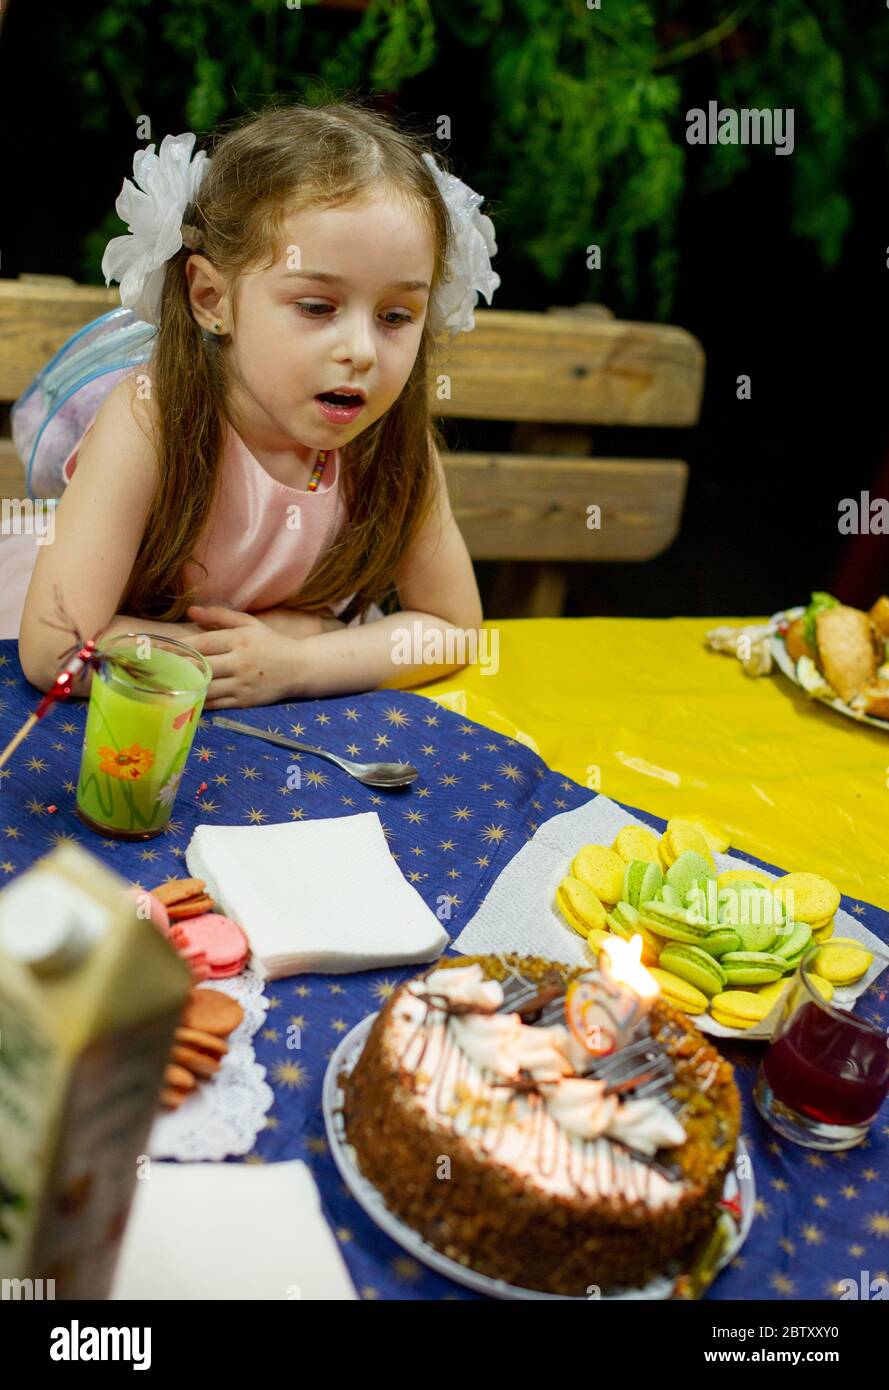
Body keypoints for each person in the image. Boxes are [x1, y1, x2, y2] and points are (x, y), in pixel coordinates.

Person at [18, 99, 500, 708]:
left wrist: (301, 662)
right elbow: (59, 648)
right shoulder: (150, 420)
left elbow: (453, 632)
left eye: (396, 316)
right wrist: (250, 650)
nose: (361, 350)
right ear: (212, 298)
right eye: (317, 307)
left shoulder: (393, 443)